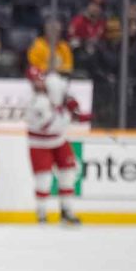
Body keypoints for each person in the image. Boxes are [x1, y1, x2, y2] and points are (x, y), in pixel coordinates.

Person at [25, 67, 91, 224]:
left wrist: (71, 104)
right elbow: (49, 125)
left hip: (59, 140)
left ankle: (66, 210)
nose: (39, 82)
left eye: (40, 78)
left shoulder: (53, 84)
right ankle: (41, 213)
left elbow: (66, 93)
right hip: (39, 143)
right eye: (35, 80)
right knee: (44, 179)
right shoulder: (34, 102)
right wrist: (74, 117)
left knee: (68, 173)